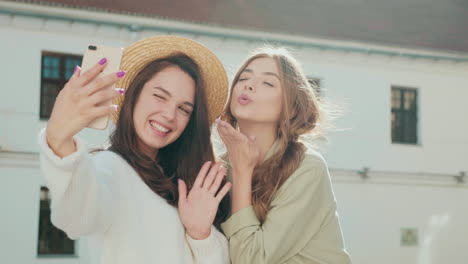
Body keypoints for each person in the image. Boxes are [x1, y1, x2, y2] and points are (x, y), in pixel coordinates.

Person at [38, 36, 231, 264]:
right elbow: (76, 217)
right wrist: (59, 137)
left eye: (184, 109)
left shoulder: (191, 184)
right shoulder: (109, 167)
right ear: (133, 94)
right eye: (160, 96)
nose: (169, 114)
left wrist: (200, 235)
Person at [215, 47, 352, 263]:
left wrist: (243, 172)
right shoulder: (218, 167)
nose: (248, 85)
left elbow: (251, 259)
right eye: (243, 78)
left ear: (290, 108)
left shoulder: (307, 168)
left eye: (267, 83)